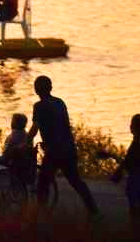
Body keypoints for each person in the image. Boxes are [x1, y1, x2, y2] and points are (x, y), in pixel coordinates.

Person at [27, 76, 99, 215]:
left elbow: (35, 128)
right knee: (75, 181)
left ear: (36, 90)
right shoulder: (59, 102)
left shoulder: (39, 106)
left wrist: (25, 142)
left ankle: (41, 213)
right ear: (51, 88)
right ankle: (93, 210)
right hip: (68, 147)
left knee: (43, 182)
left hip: (54, 151)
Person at [111, 114, 140, 233]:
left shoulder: (137, 143)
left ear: (136, 127)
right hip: (138, 180)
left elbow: (128, 162)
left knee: (136, 209)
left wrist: (117, 172)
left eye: (132, 124)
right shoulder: (139, 141)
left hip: (137, 181)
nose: (130, 126)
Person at [0, 113, 34, 186]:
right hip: (23, 164)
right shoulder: (28, 137)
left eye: (12, 121)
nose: (11, 123)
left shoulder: (12, 137)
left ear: (15, 123)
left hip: (10, 163)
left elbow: (5, 156)